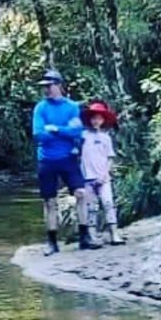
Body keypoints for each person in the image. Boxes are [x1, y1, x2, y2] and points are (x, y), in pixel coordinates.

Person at [32, 69, 95, 255]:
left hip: (68, 158)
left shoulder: (72, 107)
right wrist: (64, 131)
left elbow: (77, 131)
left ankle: (84, 237)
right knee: (49, 201)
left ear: (59, 85)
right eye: (44, 87)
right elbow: (39, 134)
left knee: (81, 193)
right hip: (47, 159)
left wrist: (55, 129)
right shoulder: (40, 108)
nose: (46, 89)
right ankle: (52, 242)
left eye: (49, 86)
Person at [80, 100, 124, 245]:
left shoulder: (106, 138)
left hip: (103, 177)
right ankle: (92, 236)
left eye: (99, 118)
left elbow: (110, 158)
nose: (96, 121)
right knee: (91, 207)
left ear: (103, 120)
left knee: (108, 203)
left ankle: (114, 234)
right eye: (93, 118)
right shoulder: (83, 136)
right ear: (89, 119)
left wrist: (104, 174)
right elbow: (77, 154)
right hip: (87, 177)